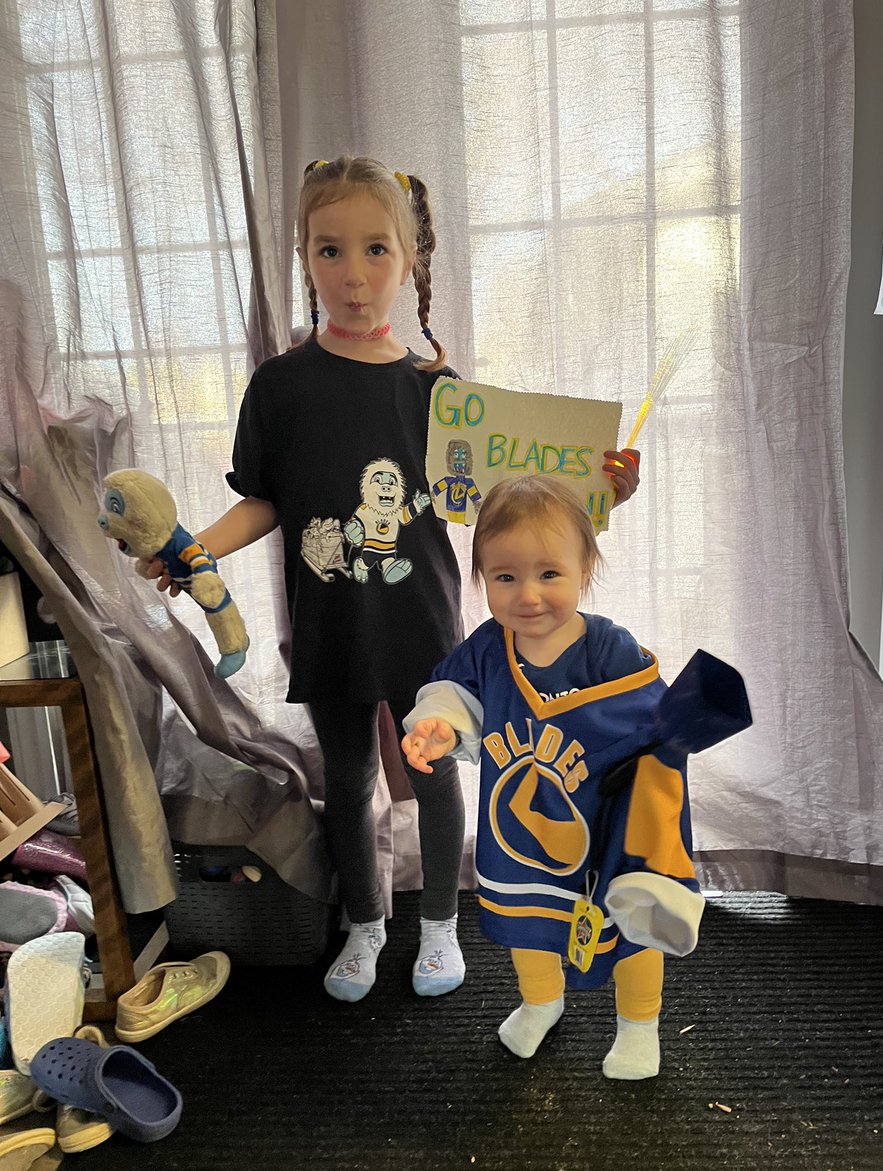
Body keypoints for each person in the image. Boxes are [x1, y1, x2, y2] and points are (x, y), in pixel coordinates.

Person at [137, 156, 641, 1003]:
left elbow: (513, 506)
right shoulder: (280, 386)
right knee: (348, 775)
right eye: (330, 251)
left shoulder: (439, 395)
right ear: (305, 257)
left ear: (411, 261)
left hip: (420, 620)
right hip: (329, 621)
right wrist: (197, 551)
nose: (355, 275)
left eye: (377, 251)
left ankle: (440, 925)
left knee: (437, 769)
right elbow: (265, 499)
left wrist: (600, 493)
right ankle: (366, 924)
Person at [401, 475, 706, 1078]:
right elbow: (451, 693)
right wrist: (436, 724)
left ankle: (639, 1025)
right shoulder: (489, 648)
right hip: (520, 837)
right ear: (482, 577)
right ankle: (541, 1002)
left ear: (584, 567)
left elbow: (656, 717)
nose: (528, 596)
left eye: (549, 574)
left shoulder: (608, 648)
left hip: (606, 823)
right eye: (505, 577)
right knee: (529, 924)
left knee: (629, 924)